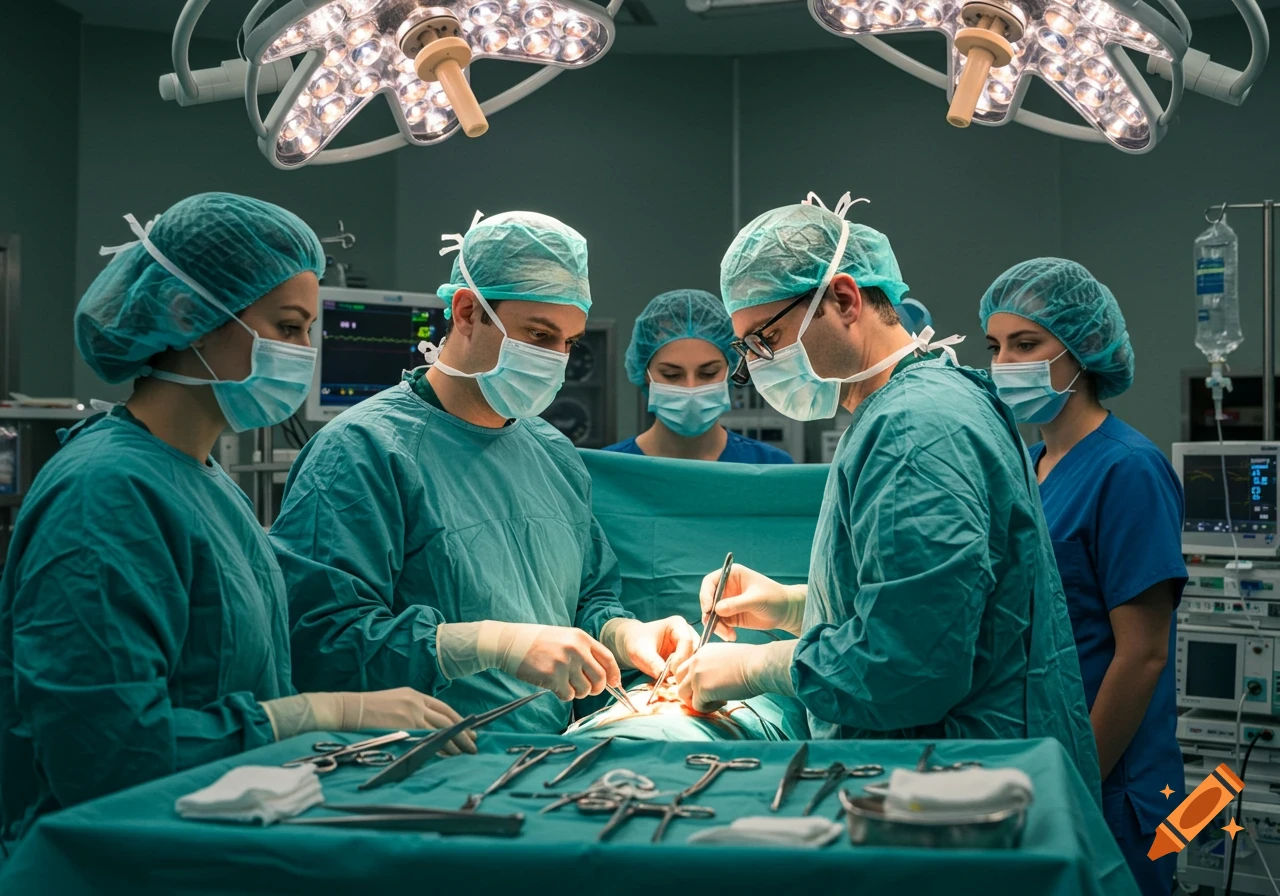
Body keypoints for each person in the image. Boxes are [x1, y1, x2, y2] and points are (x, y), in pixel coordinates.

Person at [0, 193, 473, 846]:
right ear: (189, 315)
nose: (303, 353)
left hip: (214, 834)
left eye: (310, 330)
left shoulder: (206, 480)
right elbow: (106, 756)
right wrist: (312, 715)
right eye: (286, 327)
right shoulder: (103, 495)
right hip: (115, 860)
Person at [673, 193, 1101, 797]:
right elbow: (944, 605)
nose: (760, 365)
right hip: (963, 777)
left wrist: (754, 666)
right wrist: (791, 606)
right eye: (749, 352)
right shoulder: (923, 405)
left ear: (844, 300)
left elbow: (910, 662)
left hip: (960, 796)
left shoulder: (915, 430)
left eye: (765, 339)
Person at [270, 211, 697, 734]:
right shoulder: (363, 451)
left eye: (569, 342)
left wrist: (623, 634)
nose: (555, 358)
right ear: (468, 311)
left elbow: (588, 598)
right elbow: (323, 640)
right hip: (423, 761)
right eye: (539, 335)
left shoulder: (553, 454)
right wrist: (490, 646)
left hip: (547, 753)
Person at [982, 258, 1185, 895]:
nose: (1005, 362)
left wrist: (1074, 778)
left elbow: (1142, 655)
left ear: (1080, 349)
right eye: (994, 346)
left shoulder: (1129, 470)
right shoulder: (1030, 463)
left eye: (1027, 343)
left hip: (1115, 784)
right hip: (1043, 762)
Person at [604, 289, 794, 463]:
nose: (691, 388)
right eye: (672, 375)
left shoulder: (771, 467)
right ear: (646, 375)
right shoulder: (609, 472)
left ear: (731, 371)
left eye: (708, 373)